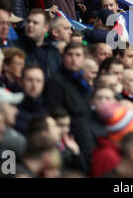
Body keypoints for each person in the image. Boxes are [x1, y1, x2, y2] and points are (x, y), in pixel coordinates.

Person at [43, 42, 94, 172]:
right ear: (63, 57)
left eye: (78, 55)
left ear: (84, 59)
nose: (73, 59)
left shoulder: (83, 83)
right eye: (70, 55)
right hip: (69, 143)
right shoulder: (55, 83)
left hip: (86, 139)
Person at [14, 9, 62, 79]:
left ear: (45, 28)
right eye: (28, 21)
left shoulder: (53, 52)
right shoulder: (15, 48)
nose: (30, 25)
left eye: (35, 23)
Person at [15, 65, 48, 134]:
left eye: (38, 81)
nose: (34, 85)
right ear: (21, 82)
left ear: (43, 85)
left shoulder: (48, 108)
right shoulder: (13, 109)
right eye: (30, 80)